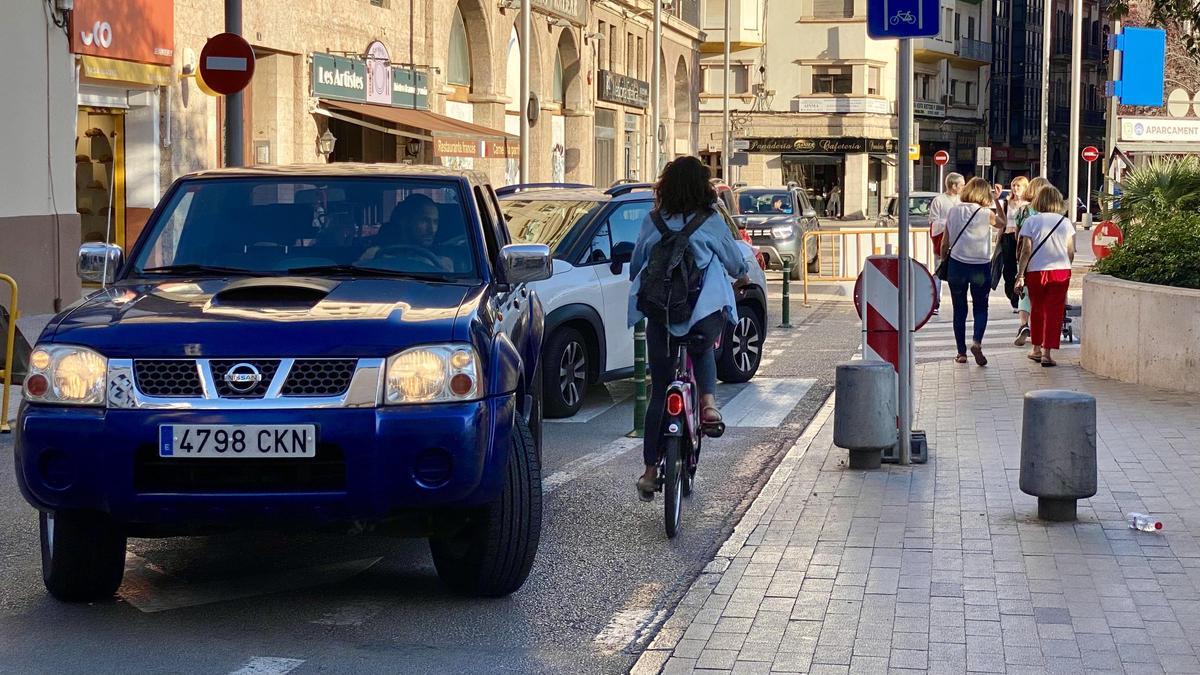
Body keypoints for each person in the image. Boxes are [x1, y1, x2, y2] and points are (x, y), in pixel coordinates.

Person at [628, 156, 750, 500]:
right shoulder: (710, 221)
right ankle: (709, 404)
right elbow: (736, 261)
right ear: (703, 189)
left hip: (662, 317)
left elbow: (636, 263)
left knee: (659, 392)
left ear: (665, 187)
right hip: (701, 314)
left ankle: (651, 472)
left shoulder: (653, 221)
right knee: (702, 347)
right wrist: (739, 276)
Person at [941, 177, 1006, 366]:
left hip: (957, 266)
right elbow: (1002, 223)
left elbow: (945, 242)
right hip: (980, 266)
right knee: (980, 307)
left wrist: (945, 258)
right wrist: (996, 200)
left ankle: (961, 353)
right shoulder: (986, 213)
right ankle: (977, 341)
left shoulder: (953, 211)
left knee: (959, 309)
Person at [1015, 186, 1075, 367]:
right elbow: (1070, 251)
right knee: (1054, 311)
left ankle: (1036, 349)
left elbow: (1026, 250)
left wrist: (1020, 274)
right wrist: (1066, 264)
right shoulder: (1065, 223)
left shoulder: (1030, 222)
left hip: (1035, 271)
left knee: (1037, 309)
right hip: (1060, 270)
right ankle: (1048, 353)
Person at [362, 194, 453, 271]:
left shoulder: (442, 261)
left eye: (435, 222)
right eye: (424, 221)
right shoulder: (375, 254)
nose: (432, 229)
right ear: (405, 221)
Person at [1010, 176, 1051, 346]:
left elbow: (1017, 236)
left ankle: (1023, 324)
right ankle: (1041, 330)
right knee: (1044, 295)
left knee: (1024, 290)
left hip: (1028, 256)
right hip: (1048, 257)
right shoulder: (1052, 212)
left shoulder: (1023, 211)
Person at [928, 172, 964, 315]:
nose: (964, 187)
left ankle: (959, 301)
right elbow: (933, 221)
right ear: (953, 185)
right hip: (943, 240)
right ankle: (935, 302)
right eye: (961, 184)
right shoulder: (939, 200)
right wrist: (950, 223)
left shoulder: (962, 200)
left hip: (960, 242)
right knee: (939, 269)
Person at [998, 176, 1029, 314]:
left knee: (1022, 268)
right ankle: (1013, 297)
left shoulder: (1028, 204)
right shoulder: (1007, 203)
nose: (1015, 189)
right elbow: (1002, 222)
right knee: (1008, 269)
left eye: (1018, 186)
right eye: (1014, 185)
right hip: (1008, 237)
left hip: (1022, 238)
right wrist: (999, 238)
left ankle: (1021, 298)